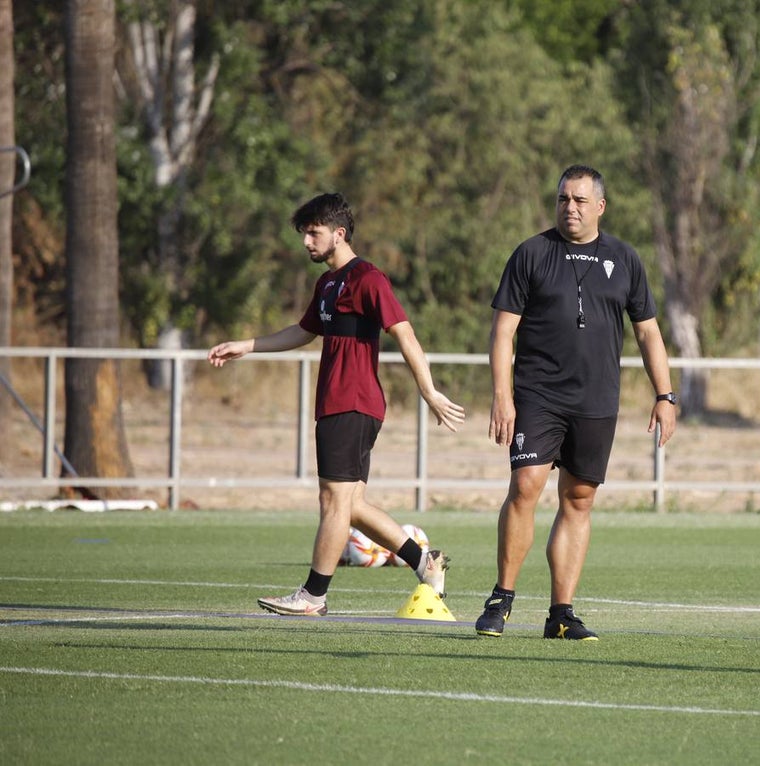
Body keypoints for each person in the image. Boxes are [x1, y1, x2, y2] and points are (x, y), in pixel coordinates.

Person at [208, 192, 466, 616]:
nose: (306, 242)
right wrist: (247, 346)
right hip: (337, 404)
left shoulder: (367, 278)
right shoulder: (327, 283)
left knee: (332, 502)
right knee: (351, 506)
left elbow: (404, 333)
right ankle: (425, 562)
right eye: (304, 234)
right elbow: (303, 331)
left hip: (353, 403)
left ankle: (313, 596)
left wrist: (429, 391)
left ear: (339, 233)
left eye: (314, 233)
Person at [474, 165, 677, 640]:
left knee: (579, 499)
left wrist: (665, 395)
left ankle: (560, 615)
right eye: (564, 199)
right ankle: (501, 599)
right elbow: (503, 331)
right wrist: (502, 396)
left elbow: (648, 332)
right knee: (526, 485)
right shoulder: (531, 253)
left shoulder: (625, 259)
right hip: (538, 395)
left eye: (581, 200)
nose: (571, 208)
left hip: (597, 399)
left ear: (600, 206)